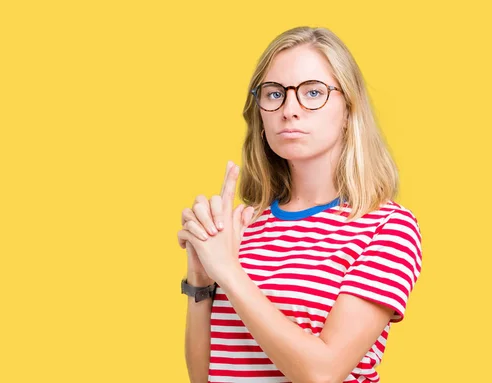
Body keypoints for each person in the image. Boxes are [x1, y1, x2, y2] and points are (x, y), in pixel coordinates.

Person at [176, 26, 423, 383]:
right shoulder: (241, 227)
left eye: (312, 93)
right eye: (275, 94)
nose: (290, 110)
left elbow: (322, 373)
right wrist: (200, 276)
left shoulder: (387, 228)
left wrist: (229, 272)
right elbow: (204, 377)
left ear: (349, 109)